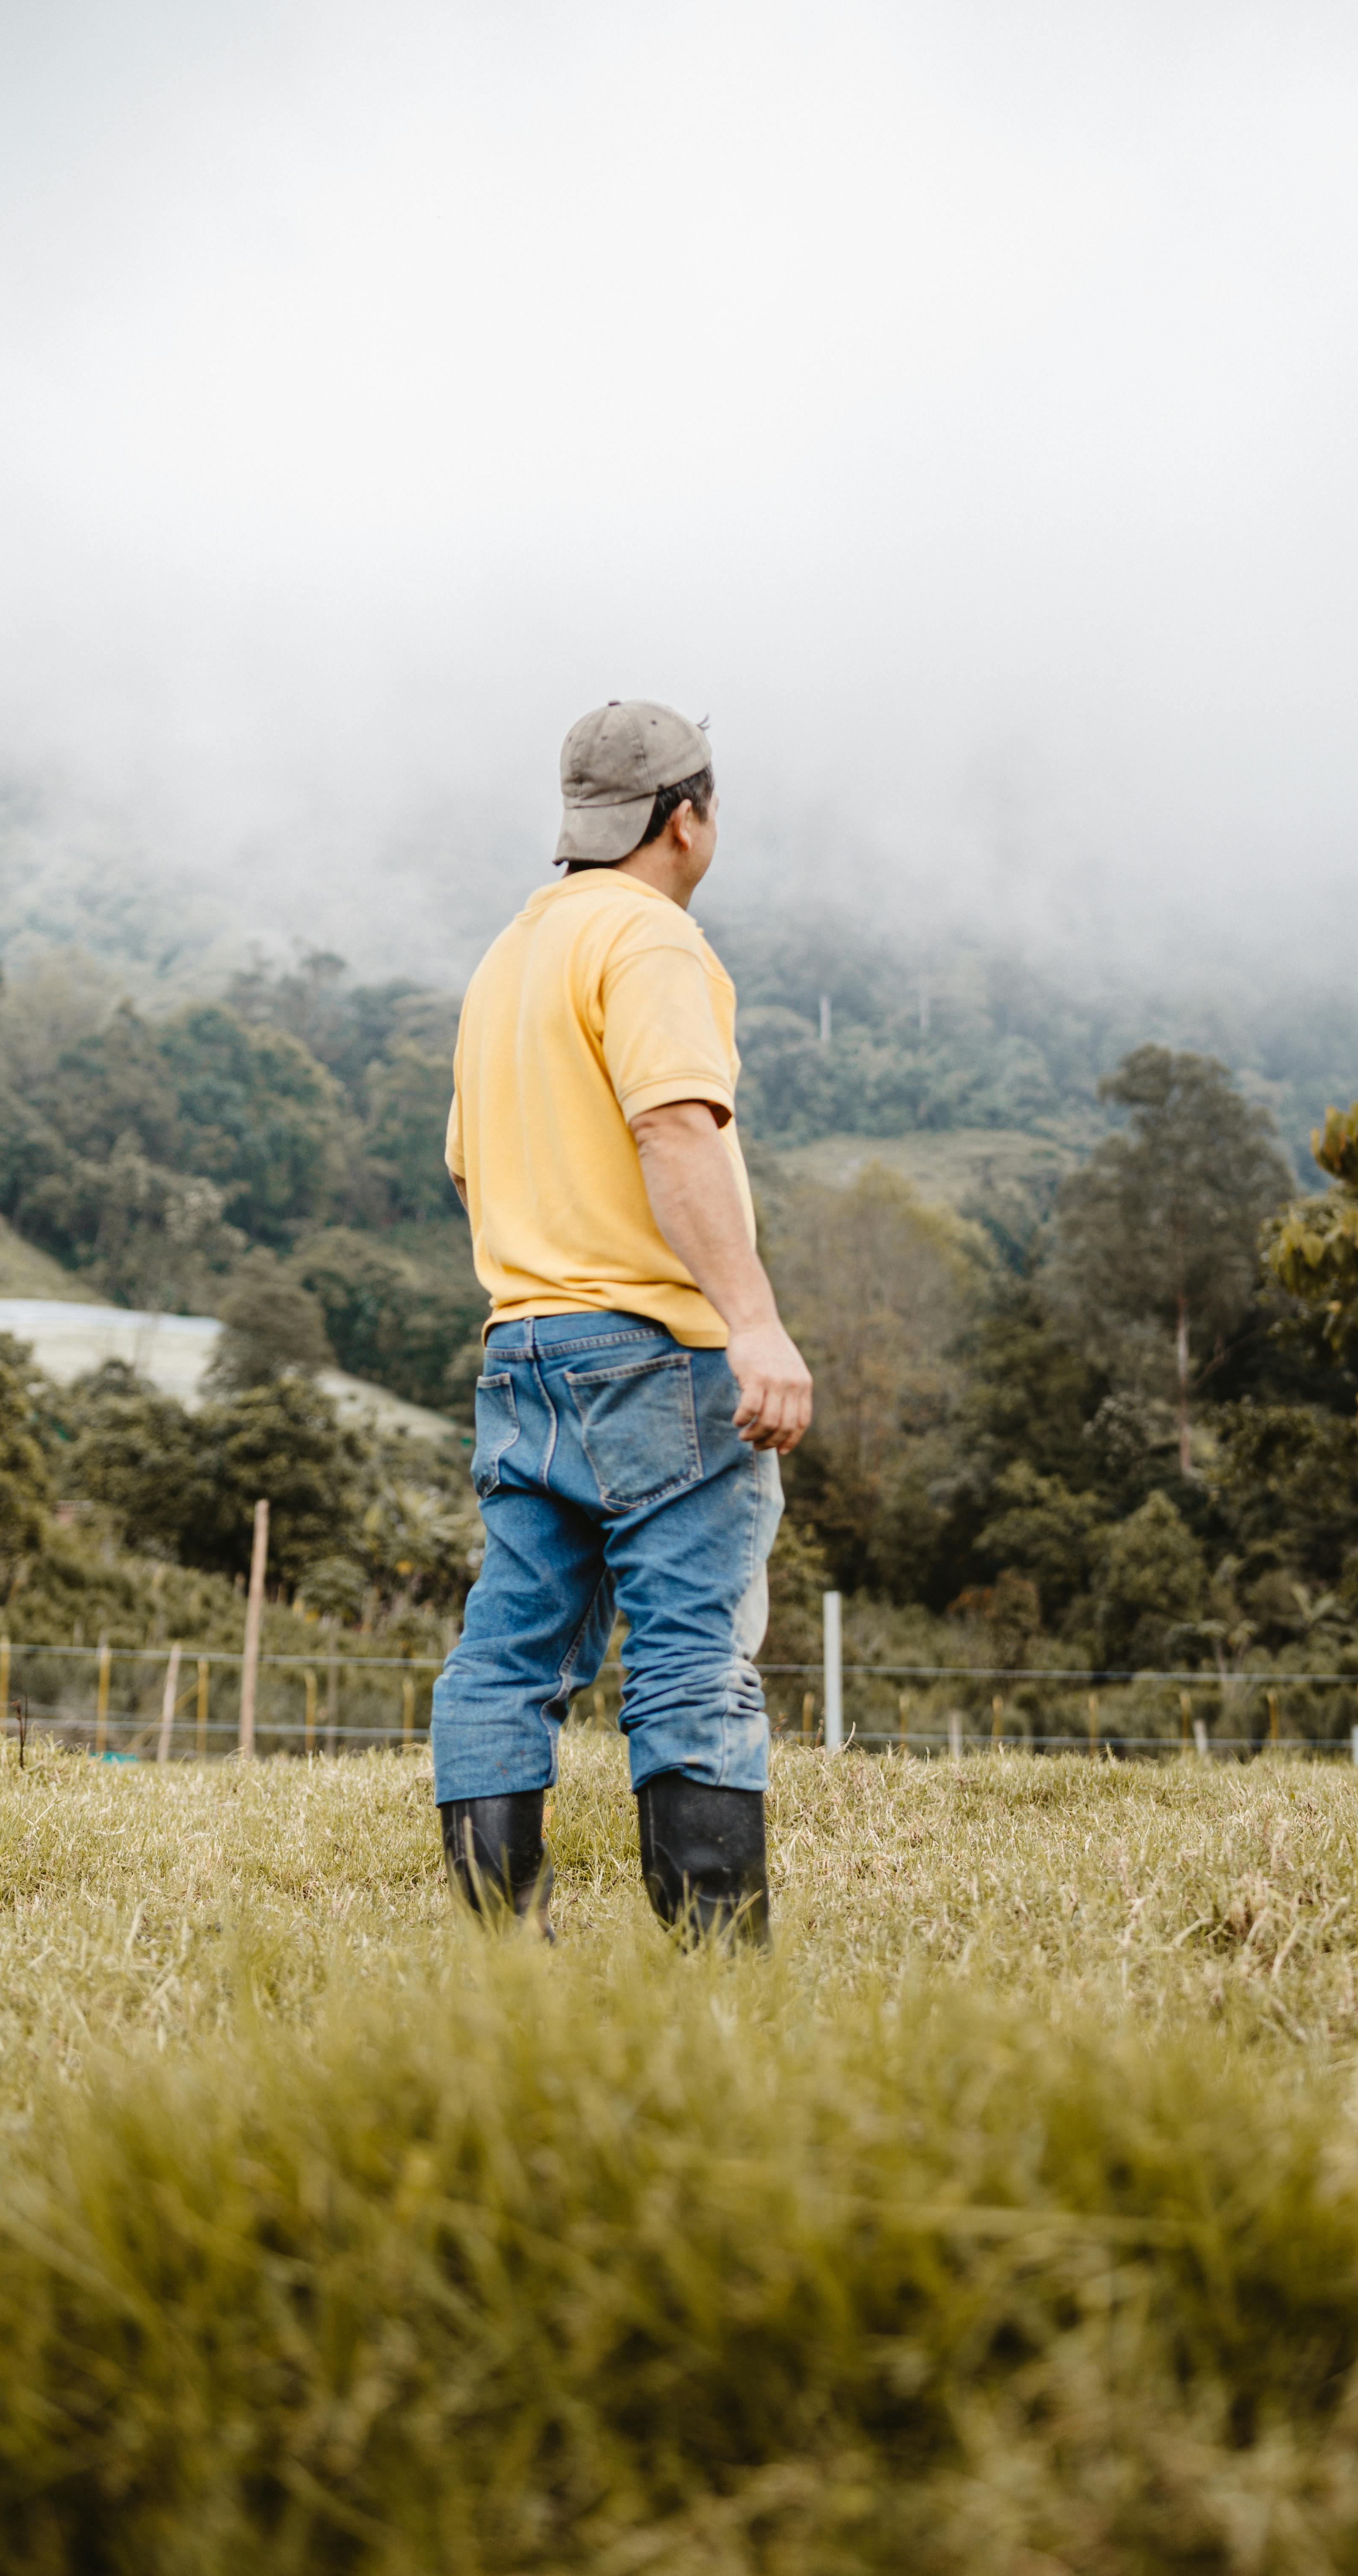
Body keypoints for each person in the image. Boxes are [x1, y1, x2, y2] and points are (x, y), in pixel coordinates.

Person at [432, 700, 813, 1944]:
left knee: (508, 1648)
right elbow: (671, 1126)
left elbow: (466, 1168)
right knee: (693, 1651)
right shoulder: (650, 943)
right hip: (654, 1353)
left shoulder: (508, 960)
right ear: (686, 817)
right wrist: (751, 1324)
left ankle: (505, 1954)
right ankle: (714, 1971)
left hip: (524, 1349)